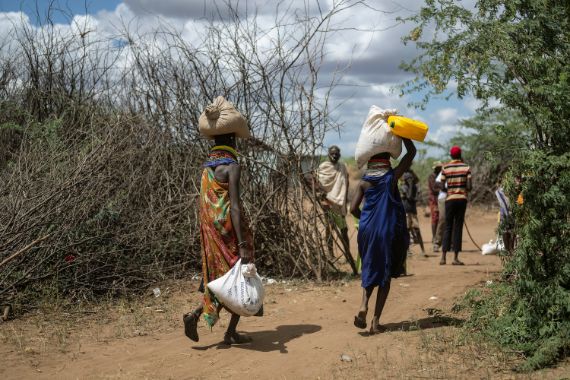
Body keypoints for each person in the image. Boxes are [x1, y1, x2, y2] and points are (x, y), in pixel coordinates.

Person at [183, 132, 255, 345]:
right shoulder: (232, 166)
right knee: (239, 279)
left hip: (211, 234)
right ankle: (227, 330)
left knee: (221, 281)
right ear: (233, 141)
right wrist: (242, 242)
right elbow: (234, 206)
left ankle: (198, 317)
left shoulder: (207, 169)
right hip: (229, 233)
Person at [350, 138, 416, 334]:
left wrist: (366, 220)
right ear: (388, 160)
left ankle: (363, 304)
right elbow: (411, 152)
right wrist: (404, 134)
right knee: (385, 274)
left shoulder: (363, 182)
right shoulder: (391, 177)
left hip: (367, 230)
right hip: (387, 230)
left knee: (370, 266)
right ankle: (375, 322)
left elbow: (353, 209)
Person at [317, 145, 357, 274]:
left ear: (339, 155)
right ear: (328, 154)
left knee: (343, 230)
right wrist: (323, 197)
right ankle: (330, 255)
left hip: (340, 204)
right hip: (328, 203)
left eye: (337, 154)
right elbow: (318, 184)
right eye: (332, 153)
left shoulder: (342, 167)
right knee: (329, 228)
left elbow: (346, 184)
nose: (335, 156)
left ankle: (347, 254)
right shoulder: (323, 167)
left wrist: (344, 201)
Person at [439, 146, 471, 265]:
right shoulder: (466, 167)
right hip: (462, 199)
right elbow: (469, 186)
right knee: (458, 227)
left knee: (448, 227)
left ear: (451, 156)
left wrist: (450, 190)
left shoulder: (445, 168)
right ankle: (455, 258)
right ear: (460, 155)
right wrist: (462, 189)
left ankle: (443, 257)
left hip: (450, 200)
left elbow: (442, 187)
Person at [399, 169, 426, 256]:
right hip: (406, 212)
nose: (411, 181)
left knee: (417, 230)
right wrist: (411, 186)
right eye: (409, 179)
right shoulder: (403, 187)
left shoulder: (414, 188)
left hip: (413, 212)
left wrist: (412, 194)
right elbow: (410, 197)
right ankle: (407, 250)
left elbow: (415, 198)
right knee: (406, 231)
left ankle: (423, 250)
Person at [427, 162, 443, 250]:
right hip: (434, 199)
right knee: (435, 217)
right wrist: (443, 188)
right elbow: (434, 188)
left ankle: (437, 236)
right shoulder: (432, 176)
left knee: (439, 218)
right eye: (439, 168)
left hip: (438, 198)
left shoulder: (438, 176)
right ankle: (434, 237)